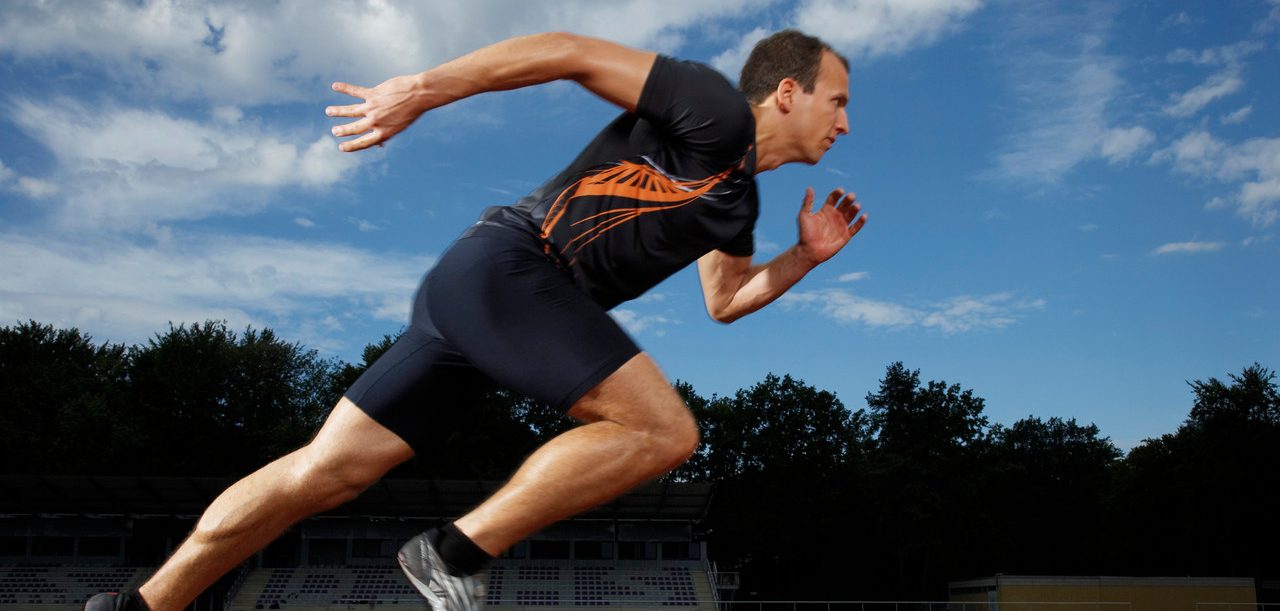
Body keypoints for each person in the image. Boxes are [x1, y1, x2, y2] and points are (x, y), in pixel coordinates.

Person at [86, 29, 866, 611]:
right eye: (838, 102)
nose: (845, 124)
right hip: (512, 267)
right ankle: (452, 552)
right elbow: (566, 51)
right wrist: (424, 87)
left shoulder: (738, 204)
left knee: (326, 470)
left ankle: (140, 605)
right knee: (663, 432)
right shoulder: (713, 108)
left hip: (491, 305)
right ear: (788, 92)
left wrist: (801, 260)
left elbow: (724, 301)